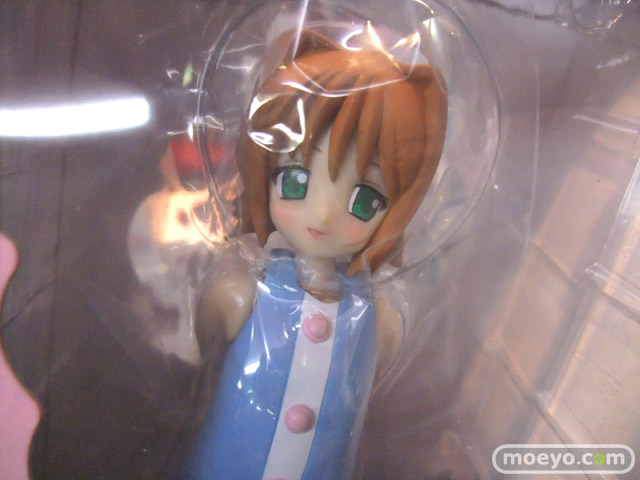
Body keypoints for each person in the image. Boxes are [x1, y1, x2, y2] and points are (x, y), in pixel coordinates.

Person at [189, 29, 447, 480]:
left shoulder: (380, 320)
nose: (324, 214)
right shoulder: (241, 295)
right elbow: (201, 358)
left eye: (365, 200)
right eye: (295, 181)